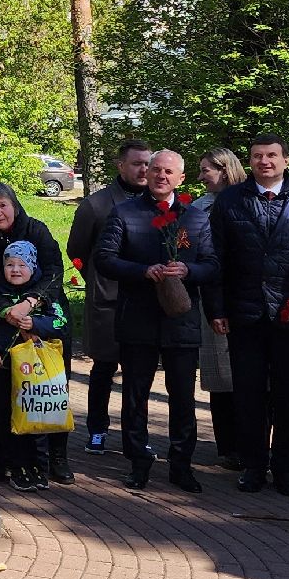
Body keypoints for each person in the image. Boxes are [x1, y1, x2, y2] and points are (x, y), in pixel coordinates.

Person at [208, 134, 289, 496]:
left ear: (286, 160)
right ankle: (252, 465)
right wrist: (216, 308)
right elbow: (215, 256)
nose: (264, 162)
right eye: (257, 156)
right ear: (249, 162)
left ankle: (286, 467)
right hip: (244, 311)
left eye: (272, 156)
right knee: (247, 393)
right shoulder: (231, 200)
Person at [95, 150, 216, 492]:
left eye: (169, 172)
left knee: (182, 397)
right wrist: (141, 271)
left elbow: (212, 265)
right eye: (156, 170)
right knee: (135, 395)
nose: (162, 176)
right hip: (138, 318)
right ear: (147, 174)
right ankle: (138, 461)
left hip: (181, 320)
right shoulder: (125, 213)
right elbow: (104, 259)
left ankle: (181, 465)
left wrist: (188, 270)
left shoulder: (196, 219)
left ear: (181, 178)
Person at [0, 182, 66, 483]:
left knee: (47, 394)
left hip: (41, 321)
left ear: (15, 205)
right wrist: (4, 310)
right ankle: (1, 456)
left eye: (3, 205)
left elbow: (54, 271)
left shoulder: (36, 229)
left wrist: (30, 303)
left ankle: (55, 459)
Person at [68, 138, 149, 455]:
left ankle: (135, 435)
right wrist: (94, 278)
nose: (143, 169)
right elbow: (75, 250)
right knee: (104, 369)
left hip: (144, 302)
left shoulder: (158, 204)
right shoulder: (96, 205)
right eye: (137, 163)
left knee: (138, 372)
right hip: (107, 303)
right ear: (121, 165)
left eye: (147, 163)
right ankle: (97, 430)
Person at [0, 241, 71, 492]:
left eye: (21, 265)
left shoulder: (44, 296)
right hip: (3, 367)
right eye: (10, 264)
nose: (15, 269)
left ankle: (39, 466)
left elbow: (61, 323)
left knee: (35, 417)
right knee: (7, 417)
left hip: (35, 370)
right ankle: (16, 467)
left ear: (32, 267)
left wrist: (36, 324)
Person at [192, 148, 246, 471]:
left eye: (206, 170)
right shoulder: (199, 208)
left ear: (225, 170)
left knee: (249, 376)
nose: (201, 177)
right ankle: (228, 446)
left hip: (247, 300)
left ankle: (252, 442)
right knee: (219, 374)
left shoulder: (248, 201)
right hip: (211, 299)